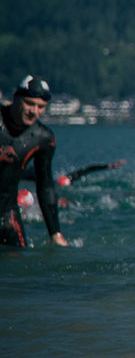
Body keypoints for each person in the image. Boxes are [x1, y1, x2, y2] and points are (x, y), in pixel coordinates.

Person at [0, 75, 68, 248]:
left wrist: (55, 234)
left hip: (7, 213)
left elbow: (45, 186)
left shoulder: (42, 138)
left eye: (41, 107)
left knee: (19, 266)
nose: (34, 111)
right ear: (16, 99)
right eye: (29, 104)